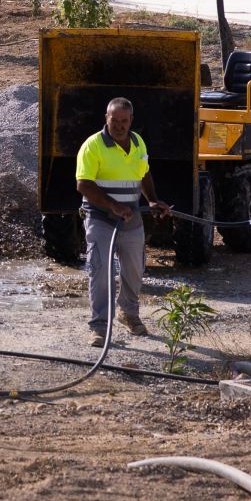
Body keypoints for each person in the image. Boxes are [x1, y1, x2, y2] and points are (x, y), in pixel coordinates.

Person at [75, 96, 172, 347]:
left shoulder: (137, 142)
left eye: (124, 121)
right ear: (106, 118)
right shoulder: (93, 146)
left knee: (134, 270)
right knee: (100, 271)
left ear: (131, 121)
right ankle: (99, 327)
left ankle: (128, 314)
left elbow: (144, 174)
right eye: (114, 120)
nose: (119, 125)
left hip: (131, 218)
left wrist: (153, 200)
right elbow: (83, 184)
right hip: (101, 218)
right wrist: (113, 206)